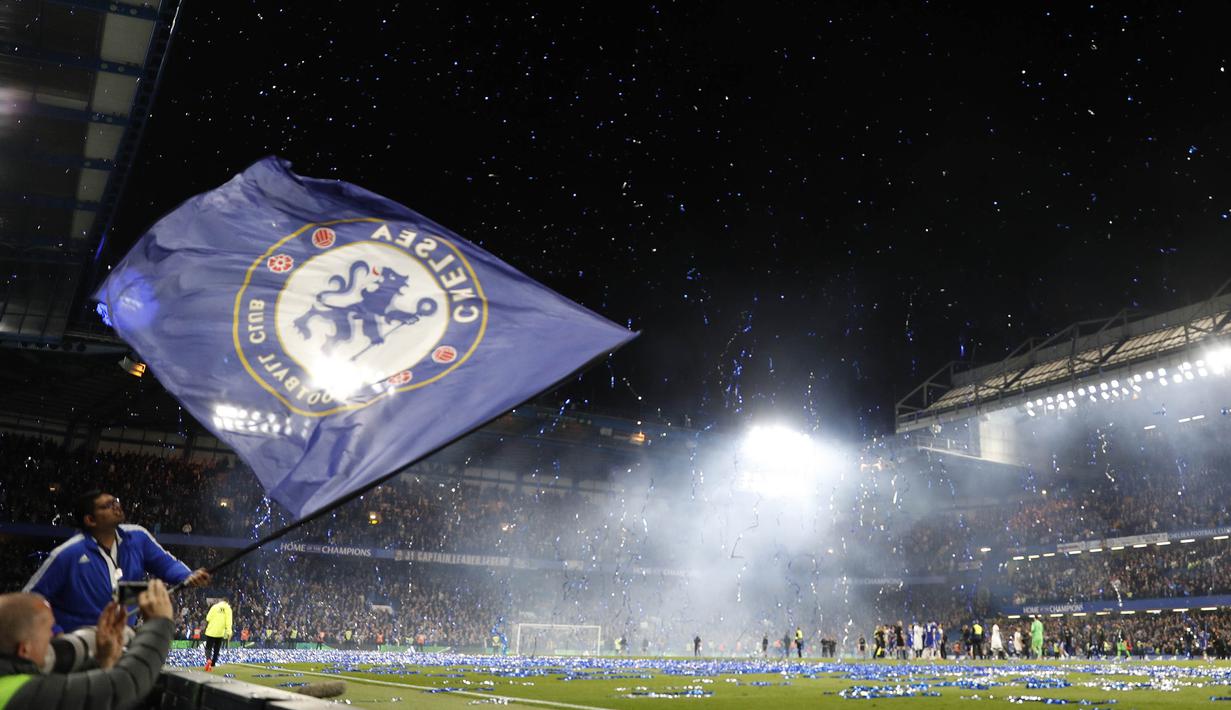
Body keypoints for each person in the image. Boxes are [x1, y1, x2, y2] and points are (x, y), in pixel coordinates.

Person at [24, 491, 210, 634]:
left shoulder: (137, 537)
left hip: (120, 643)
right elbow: (28, 601)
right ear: (90, 520)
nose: (116, 506)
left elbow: (166, 565)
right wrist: (57, 634)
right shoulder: (67, 554)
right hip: (78, 646)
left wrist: (187, 576)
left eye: (116, 502)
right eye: (107, 506)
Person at [0, 579, 175, 709]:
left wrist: (102, 660)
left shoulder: (11, 686)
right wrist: (159, 623)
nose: (52, 640)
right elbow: (123, 685)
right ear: (24, 649)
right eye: (48, 633)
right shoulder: (20, 694)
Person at [203, 597, 232, 672]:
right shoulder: (228, 609)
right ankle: (213, 664)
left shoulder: (214, 607)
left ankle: (208, 659)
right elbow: (228, 621)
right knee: (217, 649)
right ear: (227, 602)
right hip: (220, 633)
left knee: (208, 647)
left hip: (211, 631)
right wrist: (229, 632)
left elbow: (208, 618)